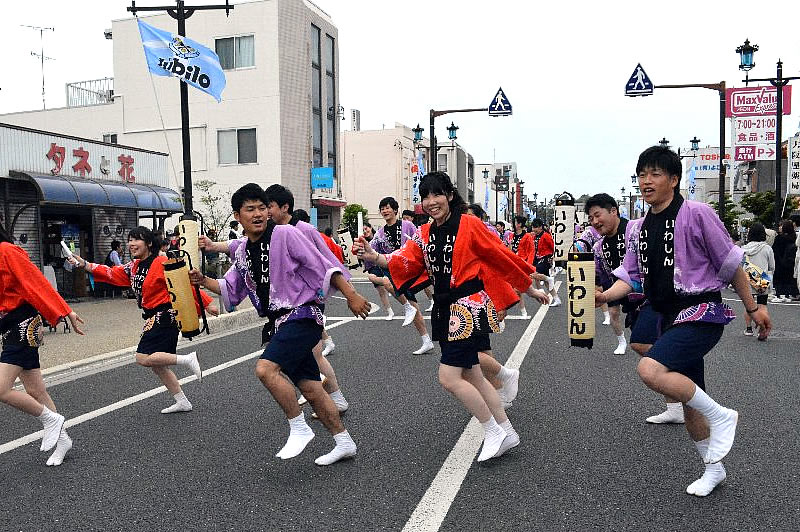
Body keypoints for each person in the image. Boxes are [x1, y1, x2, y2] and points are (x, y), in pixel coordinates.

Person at [596, 145, 772, 497]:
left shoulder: (697, 213)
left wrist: (754, 308)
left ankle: (722, 416)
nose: (647, 181)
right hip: (665, 314)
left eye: (655, 174)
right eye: (642, 174)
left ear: (674, 180)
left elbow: (730, 262)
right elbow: (629, 278)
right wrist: (601, 297)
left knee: (650, 369)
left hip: (700, 310)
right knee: (692, 399)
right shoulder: (639, 228)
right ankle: (713, 468)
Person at [355, 172, 549, 461]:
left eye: (437, 195)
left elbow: (499, 255)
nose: (431, 202)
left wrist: (528, 287)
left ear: (449, 195)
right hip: (447, 308)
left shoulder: (470, 224)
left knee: (448, 377)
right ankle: (506, 431)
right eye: (426, 197)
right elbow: (405, 259)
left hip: (467, 305)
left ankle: (493, 431)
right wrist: (374, 257)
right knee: (471, 373)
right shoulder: (425, 232)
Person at [192, 183, 370, 465]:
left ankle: (299, 428)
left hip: (302, 315)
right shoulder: (241, 252)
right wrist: (203, 282)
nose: (258, 213)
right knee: (311, 387)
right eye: (250, 209)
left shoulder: (286, 234)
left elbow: (322, 265)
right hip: (279, 322)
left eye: (262, 207)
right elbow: (230, 289)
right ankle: (343, 441)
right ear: (238, 216)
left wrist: (352, 294)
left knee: (265, 369)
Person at [70, 226, 216, 414]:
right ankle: (182, 401)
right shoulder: (134, 266)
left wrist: (206, 303)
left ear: (148, 243)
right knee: (158, 366)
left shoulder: (161, 261)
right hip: (153, 316)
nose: (131, 244)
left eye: (136, 240)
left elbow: (183, 283)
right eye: (130, 240)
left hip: (166, 315)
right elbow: (111, 273)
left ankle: (188, 359)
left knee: (143, 357)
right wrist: (85, 264)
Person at [0, 224, 85, 466]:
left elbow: (36, 283)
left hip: (22, 324)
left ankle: (51, 420)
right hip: (9, 327)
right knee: (36, 390)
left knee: (1, 389)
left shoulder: (7, 250)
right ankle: (63, 440)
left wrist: (65, 310)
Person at [365, 196, 434, 355]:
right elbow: (372, 248)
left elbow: (420, 240)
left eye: (388, 207)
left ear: (395, 210)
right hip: (395, 269)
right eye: (382, 208)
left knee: (391, 284)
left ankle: (409, 307)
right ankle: (426, 340)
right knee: (412, 304)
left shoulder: (407, 225)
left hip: (410, 266)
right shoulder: (380, 233)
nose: (385, 211)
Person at [584, 194, 630, 355]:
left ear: (613, 211)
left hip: (641, 288)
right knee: (613, 313)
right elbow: (599, 272)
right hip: (614, 284)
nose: (595, 221)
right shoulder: (599, 246)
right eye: (591, 218)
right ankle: (621, 340)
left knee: (642, 341)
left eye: (597, 215)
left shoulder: (635, 230)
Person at [741, 222, 774, 336]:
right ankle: (763, 330)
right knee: (762, 305)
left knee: (748, 305)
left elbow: (740, 265)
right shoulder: (767, 248)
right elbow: (772, 266)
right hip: (762, 280)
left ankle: (749, 329)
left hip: (747, 279)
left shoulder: (743, 248)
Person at [362, 222, 393, 318]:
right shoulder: (362, 242)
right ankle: (390, 312)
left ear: (371, 228)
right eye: (363, 230)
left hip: (383, 264)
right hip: (372, 268)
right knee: (381, 291)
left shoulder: (378, 237)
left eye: (366, 228)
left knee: (392, 289)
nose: (365, 231)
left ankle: (406, 305)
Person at [531, 218, 561, 306]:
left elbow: (553, 247)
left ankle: (544, 286)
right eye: (533, 227)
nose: (534, 229)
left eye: (535, 227)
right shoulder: (535, 236)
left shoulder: (546, 235)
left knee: (535, 274)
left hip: (545, 257)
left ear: (540, 227)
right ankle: (556, 299)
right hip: (537, 258)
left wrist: (552, 257)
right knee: (543, 280)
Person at [771, 220, 798, 302]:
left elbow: (774, 251)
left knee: (779, 280)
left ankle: (780, 294)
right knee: (790, 278)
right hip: (791, 263)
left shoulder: (779, 238)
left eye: (781, 226)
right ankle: (789, 293)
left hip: (779, 263)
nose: (779, 227)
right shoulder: (794, 237)